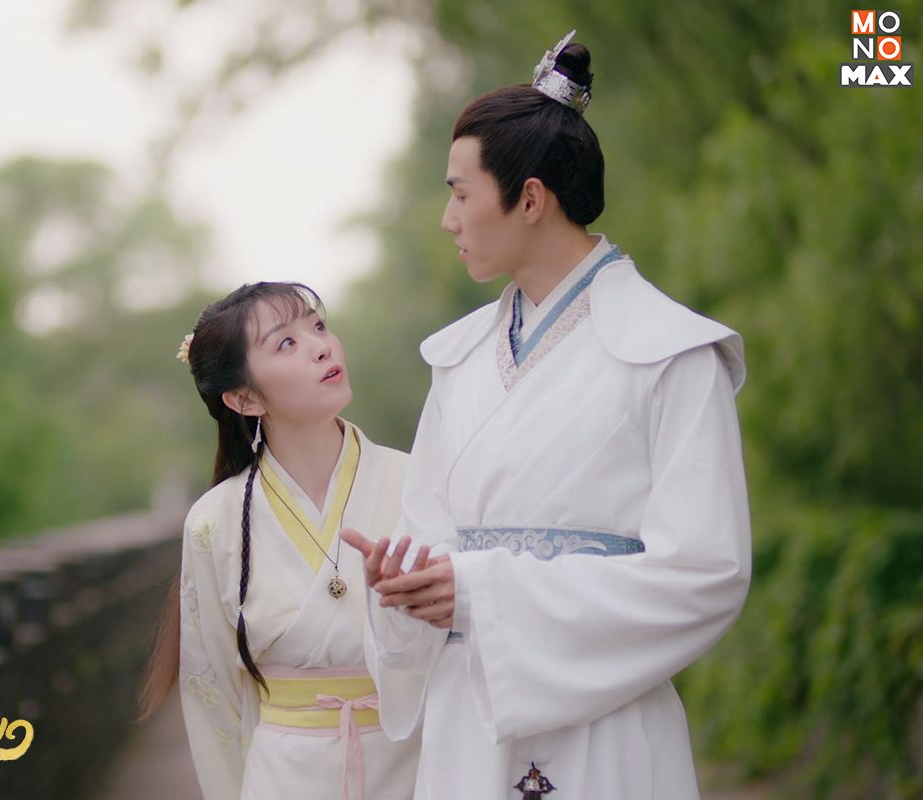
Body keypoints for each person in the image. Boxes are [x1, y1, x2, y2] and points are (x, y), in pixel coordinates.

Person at [341, 31, 751, 800]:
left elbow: (706, 573)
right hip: (470, 718)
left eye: (461, 193)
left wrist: (481, 590)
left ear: (530, 199)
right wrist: (405, 586)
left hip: (608, 727)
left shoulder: (670, 352)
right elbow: (431, 537)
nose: (448, 219)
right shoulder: (459, 359)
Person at [139, 282, 420, 800]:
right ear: (244, 398)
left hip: (413, 764)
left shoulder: (418, 483)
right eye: (286, 343)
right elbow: (212, 695)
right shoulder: (214, 522)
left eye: (318, 327)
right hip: (285, 775)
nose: (322, 347)